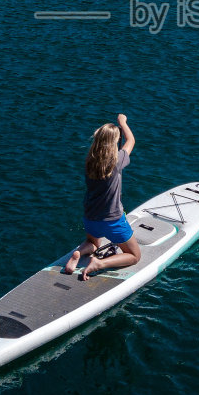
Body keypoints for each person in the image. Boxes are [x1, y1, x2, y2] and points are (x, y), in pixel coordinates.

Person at [64, 113, 140, 280]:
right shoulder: (117, 160)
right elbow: (131, 141)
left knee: (93, 243)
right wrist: (123, 123)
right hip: (112, 220)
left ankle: (79, 252)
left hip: (90, 217)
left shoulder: (89, 162)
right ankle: (99, 263)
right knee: (134, 256)